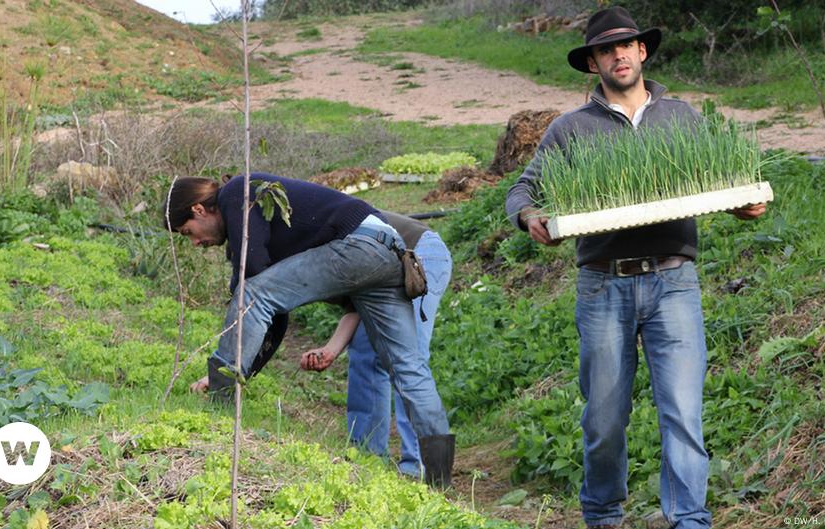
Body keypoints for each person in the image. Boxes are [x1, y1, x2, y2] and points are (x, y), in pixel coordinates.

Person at [504, 7, 766, 529]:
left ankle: (689, 518)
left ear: (642, 51)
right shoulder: (570, 129)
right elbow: (521, 190)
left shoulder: (683, 117)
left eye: (626, 45)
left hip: (674, 281)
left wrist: (742, 202)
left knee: (683, 413)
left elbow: (725, 177)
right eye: (606, 49)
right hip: (603, 284)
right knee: (604, 418)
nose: (618, 55)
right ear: (593, 63)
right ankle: (603, 514)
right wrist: (530, 215)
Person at [165, 173, 455, 486]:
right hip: (390, 250)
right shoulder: (255, 215)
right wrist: (240, 371)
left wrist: (224, 373)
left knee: (250, 293)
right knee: (408, 368)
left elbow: (251, 289)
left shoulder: (237, 191)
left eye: (187, 232)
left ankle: (217, 420)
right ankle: (439, 483)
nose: (196, 242)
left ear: (198, 210)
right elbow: (274, 312)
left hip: (361, 245)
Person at [298, 211, 452, 479]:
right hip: (382, 269)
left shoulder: (323, 224)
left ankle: (417, 467)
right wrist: (331, 350)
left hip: (419, 254)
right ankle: (367, 458)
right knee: (365, 350)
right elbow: (359, 299)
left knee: (406, 358)